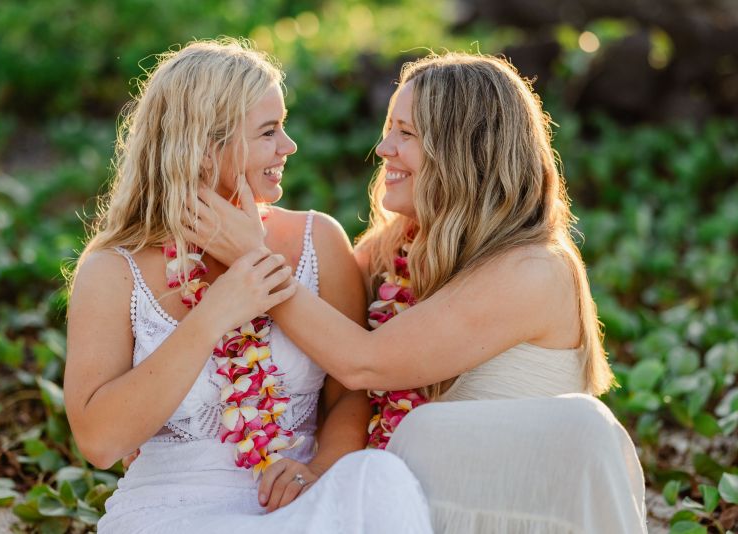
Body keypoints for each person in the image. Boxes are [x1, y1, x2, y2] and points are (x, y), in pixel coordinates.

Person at [189, 52, 648, 533]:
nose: (383, 147)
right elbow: (337, 373)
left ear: (465, 149)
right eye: (389, 128)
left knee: (571, 425)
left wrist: (254, 259)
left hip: (517, 506)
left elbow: (363, 362)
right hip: (420, 502)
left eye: (405, 133)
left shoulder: (533, 270)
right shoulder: (387, 254)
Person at [63, 39, 432, 533]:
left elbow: (351, 392)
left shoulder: (317, 239)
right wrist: (214, 314)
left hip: (301, 505)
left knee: (381, 477)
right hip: (172, 513)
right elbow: (100, 442)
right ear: (204, 146)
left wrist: (319, 471)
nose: (288, 146)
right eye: (268, 131)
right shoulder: (113, 270)